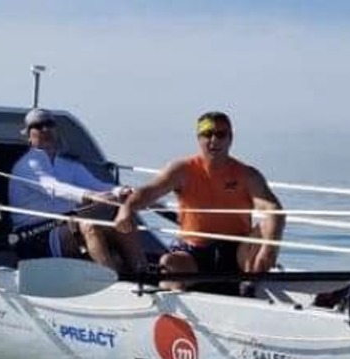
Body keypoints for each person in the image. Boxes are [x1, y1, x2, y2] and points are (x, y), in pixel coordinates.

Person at [113, 111, 285, 290]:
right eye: (207, 134)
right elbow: (149, 192)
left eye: (220, 134)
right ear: (199, 138)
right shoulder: (182, 169)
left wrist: (269, 249)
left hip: (237, 253)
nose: (214, 140)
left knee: (268, 225)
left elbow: (273, 208)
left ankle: (253, 290)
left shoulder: (248, 174)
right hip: (195, 252)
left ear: (230, 138)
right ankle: (170, 307)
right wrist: (127, 208)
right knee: (169, 262)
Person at [10, 108, 145, 274]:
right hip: (34, 235)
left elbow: (97, 185)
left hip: (66, 225)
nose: (45, 129)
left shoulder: (69, 164)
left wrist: (122, 191)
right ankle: (110, 280)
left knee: (124, 221)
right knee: (90, 225)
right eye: (38, 126)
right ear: (29, 136)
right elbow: (53, 187)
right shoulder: (27, 164)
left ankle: (142, 274)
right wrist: (90, 195)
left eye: (49, 124)